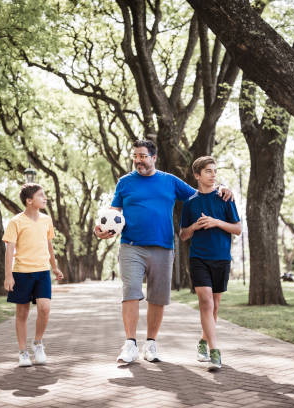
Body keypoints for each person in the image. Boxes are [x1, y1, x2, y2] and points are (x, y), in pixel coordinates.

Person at [94, 140, 232, 364]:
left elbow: (199, 195)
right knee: (130, 291)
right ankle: (130, 344)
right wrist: (100, 228)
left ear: (153, 158)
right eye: (135, 156)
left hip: (163, 247)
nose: (138, 160)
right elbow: (113, 212)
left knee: (157, 297)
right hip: (131, 245)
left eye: (143, 156)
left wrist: (222, 189)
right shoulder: (125, 182)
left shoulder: (169, 181)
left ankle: (151, 343)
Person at [179, 156, 241, 370]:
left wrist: (216, 222)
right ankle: (215, 352)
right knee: (206, 302)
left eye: (215, 171)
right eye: (208, 171)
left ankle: (203, 342)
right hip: (199, 258)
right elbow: (183, 235)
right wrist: (194, 226)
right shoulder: (190, 203)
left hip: (221, 258)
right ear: (197, 175)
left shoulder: (225, 198)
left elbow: (238, 229)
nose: (213, 174)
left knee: (214, 307)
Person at [2, 183, 64, 367]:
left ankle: (38, 343)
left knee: (44, 308)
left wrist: (55, 267)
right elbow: (9, 249)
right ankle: (22, 352)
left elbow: (49, 245)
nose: (44, 198)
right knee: (22, 313)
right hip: (22, 272)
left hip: (43, 271)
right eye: (40, 195)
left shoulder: (46, 220)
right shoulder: (16, 222)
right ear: (29, 201)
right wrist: (8, 275)